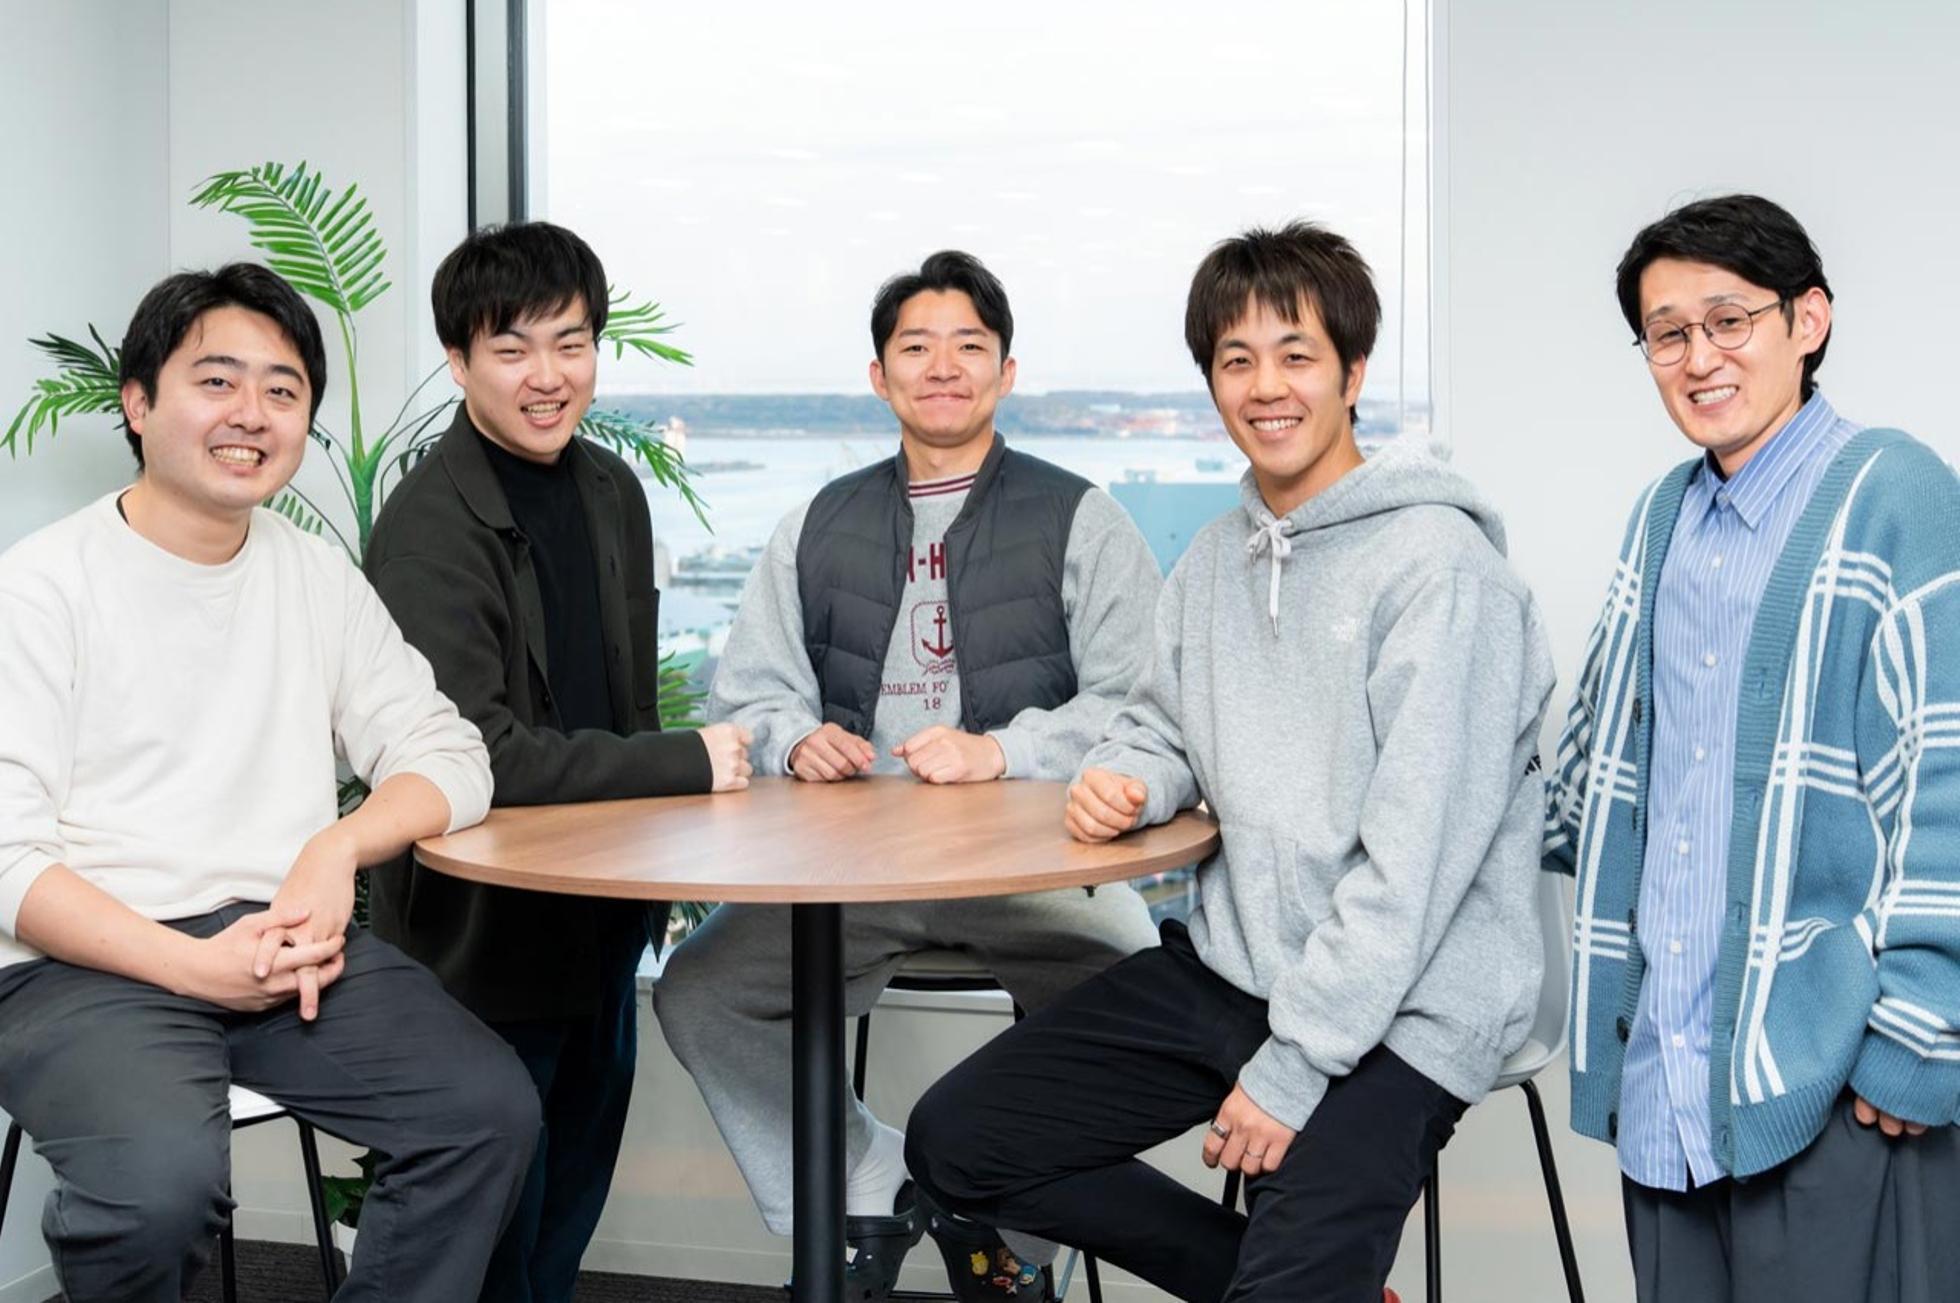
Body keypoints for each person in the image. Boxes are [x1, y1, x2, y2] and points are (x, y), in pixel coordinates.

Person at [903, 222, 1558, 1303]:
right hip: (1238, 967)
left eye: (1296, 356)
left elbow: (1413, 873)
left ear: (1353, 373)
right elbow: (1160, 723)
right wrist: (1135, 777)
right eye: (1235, 360)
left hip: (1409, 1006)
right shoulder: (1216, 557)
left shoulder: (1443, 572)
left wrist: (1292, 1070)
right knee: (959, 1141)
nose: (1265, 387)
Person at [0, 263, 538, 1303]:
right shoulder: (38, 587)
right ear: (138, 402)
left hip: (276, 942)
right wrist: (194, 968)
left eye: (282, 390)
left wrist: (335, 847)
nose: (252, 413)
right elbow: (7, 858)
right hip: (77, 960)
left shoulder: (314, 575)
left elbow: (449, 753)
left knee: (485, 1114)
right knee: (157, 1191)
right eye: (217, 381)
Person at [653, 249, 1164, 1297]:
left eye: (968, 346)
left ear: (1006, 372)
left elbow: (1141, 703)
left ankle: (1010, 1228)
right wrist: (794, 737)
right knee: (700, 992)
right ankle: (871, 1176)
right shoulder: (814, 524)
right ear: (879, 376)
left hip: (1038, 868)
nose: (942, 367)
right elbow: (746, 694)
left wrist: (1003, 750)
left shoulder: (1083, 517)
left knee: (1149, 998)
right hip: (853, 877)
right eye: (916, 347)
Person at [1543, 193, 1960, 1303]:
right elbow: (1595, 769)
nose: (1699, 357)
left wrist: (1918, 1037)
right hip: (1670, 1087)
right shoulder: (1659, 517)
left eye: (1729, 320)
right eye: (1667, 333)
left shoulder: (1896, 494)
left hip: (1832, 1083)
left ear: (1807, 320)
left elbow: (1950, 775)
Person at [363, 221, 752, 1303]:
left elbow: (623, 697)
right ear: (458, 361)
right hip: (482, 937)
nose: (549, 376)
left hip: (600, 913)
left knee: (568, 1205)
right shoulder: (427, 528)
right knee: (494, 1222)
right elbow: (476, 755)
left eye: (571, 343)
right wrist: (682, 763)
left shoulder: (610, 490)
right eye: (513, 348)